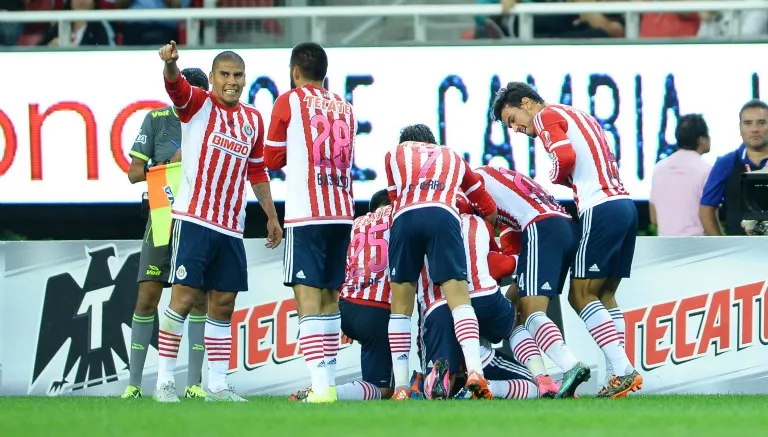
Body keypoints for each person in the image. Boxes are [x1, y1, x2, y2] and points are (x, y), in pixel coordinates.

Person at [492, 82, 641, 398]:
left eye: (513, 119)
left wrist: (554, 175)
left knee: (580, 295)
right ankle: (619, 374)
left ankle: (625, 370)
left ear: (529, 102)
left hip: (599, 207)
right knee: (606, 294)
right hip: (624, 204)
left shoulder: (546, 116)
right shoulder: (578, 114)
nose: (517, 129)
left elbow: (565, 156)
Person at [154, 42, 282, 403]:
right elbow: (175, 88)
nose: (231, 81)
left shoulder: (253, 119)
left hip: (230, 226)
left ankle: (217, 385)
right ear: (211, 78)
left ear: (245, 79)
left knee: (224, 303)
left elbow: (256, 170)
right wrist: (171, 65)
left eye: (237, 75)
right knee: (183, 298)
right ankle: (164, 381)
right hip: (194, 219)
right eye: (224, 74)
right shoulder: (197, 104)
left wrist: (271, 215)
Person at [264, 42, 356, 404]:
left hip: (307, 212)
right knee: (332, 294)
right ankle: (328, 383)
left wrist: (293, 148)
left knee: (307, 296)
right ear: (325, 73)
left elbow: (272, 156)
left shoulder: (289, 101)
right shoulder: (345, 107)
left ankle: (319, 387)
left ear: (294, 71)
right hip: (341, 209)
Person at [384, 123, 497, 400]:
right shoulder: (453, 156)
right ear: (432, 142)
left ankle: (400, 387)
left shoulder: (394, 154)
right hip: (443, 216)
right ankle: (474, 371)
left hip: (405, 216)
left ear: (407, 142)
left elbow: (393, 200)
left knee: (400, 306)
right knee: (459, 297)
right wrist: (488, 230)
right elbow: (486, 205)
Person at [121, 67, 210, 400]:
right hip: (162, 217)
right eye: (191, 95)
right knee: (147, 296)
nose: (196, 103)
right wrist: (171, 164)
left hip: (200, 220)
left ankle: (195, 384)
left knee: (198, 299)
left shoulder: (215, 122)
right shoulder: (156, 119)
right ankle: (133, 384)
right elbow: (133, 174)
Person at [474, 165, 589, 398]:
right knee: (516, 309)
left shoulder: (471, 186)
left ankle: (570, 365)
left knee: (530, 313)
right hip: (565, 225)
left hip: (541, 226)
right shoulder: (503, 185)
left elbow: (479, 238)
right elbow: (515, 255)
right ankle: (545, 381)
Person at [416, 193, 537, 401]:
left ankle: (433, 380)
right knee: (530, 381)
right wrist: (520, 260)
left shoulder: (423, 228)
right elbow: (496, 264)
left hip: (436, 308)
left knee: (440, 369)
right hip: (481, 301)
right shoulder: (478, 223)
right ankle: (490, 382)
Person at [290, 189, 394, 402]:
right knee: (383, 389)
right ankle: (331, 393)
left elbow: (341, 266)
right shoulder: (396, 216)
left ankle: (321, 387)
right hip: (378, 310)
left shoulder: (355, 224)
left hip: (345, 307)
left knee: (370, 372)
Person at [700, 99, 768, 236]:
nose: (754, 129)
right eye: (748, 123)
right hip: (739, 252)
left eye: (761, 123)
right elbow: (706, 209)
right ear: (740, 128)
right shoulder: (726, 163)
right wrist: (722, 246)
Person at [649, 114, 712, 236]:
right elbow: (708, 217)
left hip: (665, 248)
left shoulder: (659, 168)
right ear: (701, 140)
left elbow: (654, 219)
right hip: (698, 248)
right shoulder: (706, 170)